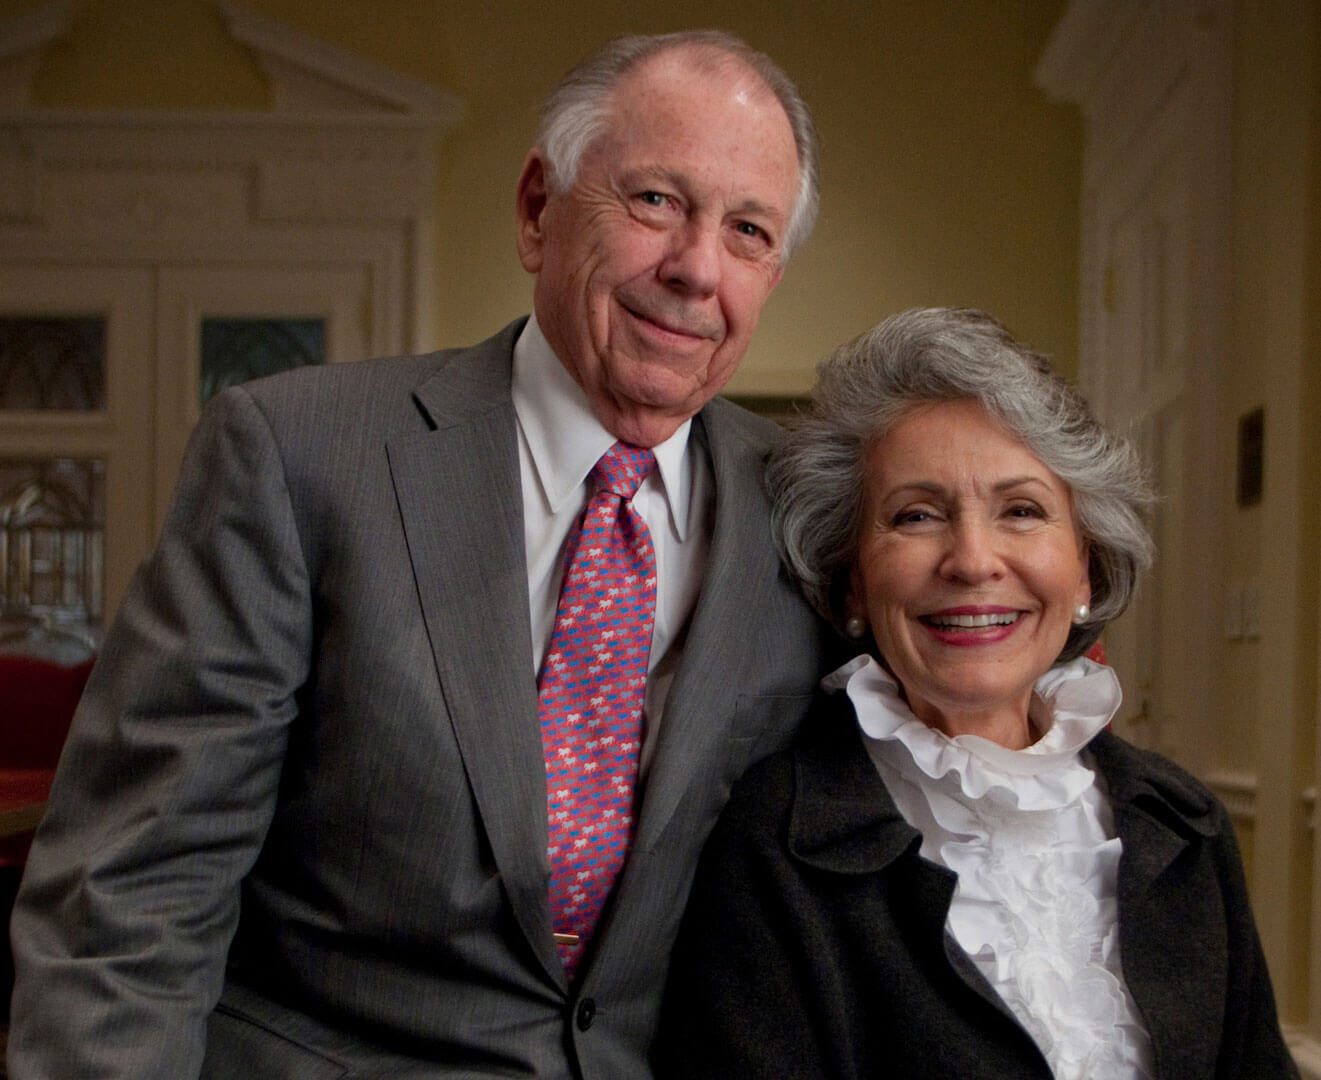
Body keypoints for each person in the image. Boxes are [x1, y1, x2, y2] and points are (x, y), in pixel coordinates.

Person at [8, 31, 835, 1079]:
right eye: (656, 201)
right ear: (537, 209)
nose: (697, 269)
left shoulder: (805, 511)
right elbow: (136, 887)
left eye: (748, 230)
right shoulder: (298, 455)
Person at [660, 308, 1297, 1079]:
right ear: (852, 581)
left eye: (1021, 511)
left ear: (1084, 568)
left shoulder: (1186, 823)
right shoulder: (774, 840)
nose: (971, 560)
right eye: (916, 515)